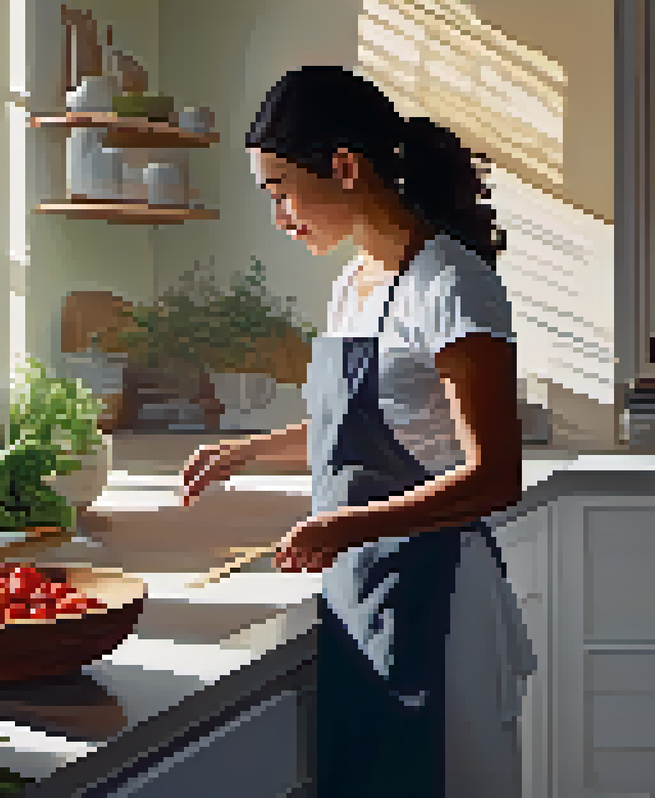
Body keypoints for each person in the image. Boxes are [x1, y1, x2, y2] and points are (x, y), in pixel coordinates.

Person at [180, 65, 537, 797]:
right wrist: (245, 451)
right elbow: (360, 417)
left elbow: (496, 474)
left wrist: (341, 528)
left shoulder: (451, 285)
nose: (280, 216)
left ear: (342, 168)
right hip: (363, 593)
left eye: (280, 190)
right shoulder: (357, 281)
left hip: (437, 599)